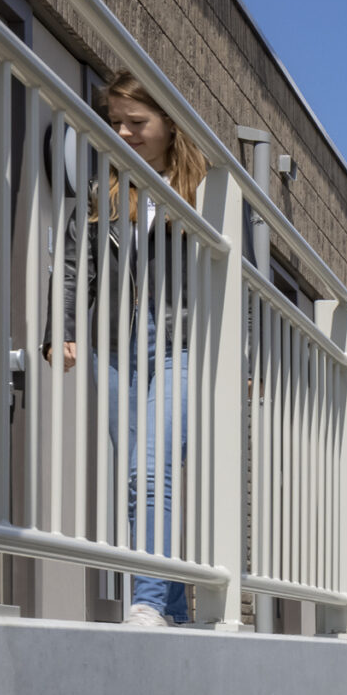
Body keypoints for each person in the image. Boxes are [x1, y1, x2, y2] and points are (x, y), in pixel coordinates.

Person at [62, 74, 206, 628]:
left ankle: (145, 600)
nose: (123, 132)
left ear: (170, 124)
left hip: (182, 345)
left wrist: (243, 359)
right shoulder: (104, 191)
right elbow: (76, 266)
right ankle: (170, 609)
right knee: (134, 477)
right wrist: (65, 327)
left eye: (136, 122)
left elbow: (242, 278)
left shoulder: (207, 194)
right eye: (115, 121)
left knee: (152, 471)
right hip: (115, 348)